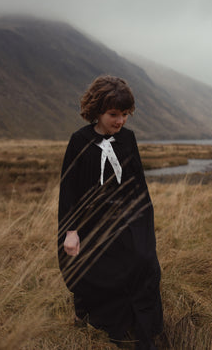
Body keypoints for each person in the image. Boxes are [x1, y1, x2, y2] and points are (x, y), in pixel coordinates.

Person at [57, 75, 163, 349]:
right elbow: (69, 189)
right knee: (97, 272)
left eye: (125, 114)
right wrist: (71, 231)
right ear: (97, 111)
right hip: (91, 222)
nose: (120, 121)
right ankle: (97, 320)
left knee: (145, 264)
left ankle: (141, 330)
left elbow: (138, 183)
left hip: (127, 218)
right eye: (114, 114)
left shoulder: (128, 139)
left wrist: (144, 225)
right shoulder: (79, 141)